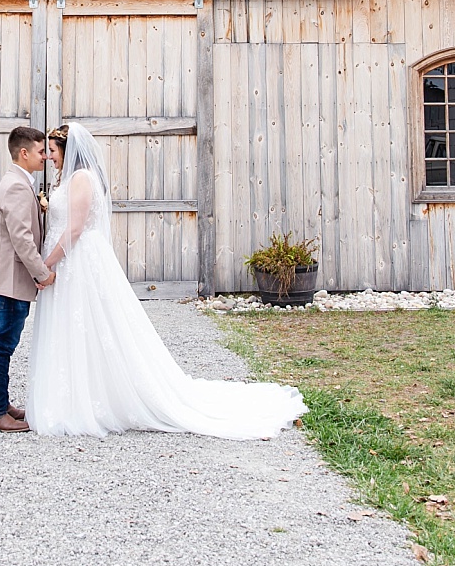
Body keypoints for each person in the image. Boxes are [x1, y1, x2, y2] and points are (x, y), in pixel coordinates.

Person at [26, 123, 307, 439]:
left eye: (51, 150)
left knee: (90, 325)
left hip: (75, 260)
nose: (48, 157)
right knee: (74, 327)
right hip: (67, 261)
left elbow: (75, 229)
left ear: (67, 150)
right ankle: (74, 396)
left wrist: (45, 264)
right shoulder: (68, 178)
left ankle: (91, 401)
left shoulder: (81, 179)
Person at [0, 125, 51, 433]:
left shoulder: (17, 181)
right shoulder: (18, 186)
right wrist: (43, 273)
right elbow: (21, 238)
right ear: (24, 153)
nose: (45, 156)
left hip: (9, 275)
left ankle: (0, 401)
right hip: (11, 277)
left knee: (5, 340)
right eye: (40, 151)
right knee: (4, 343)